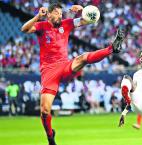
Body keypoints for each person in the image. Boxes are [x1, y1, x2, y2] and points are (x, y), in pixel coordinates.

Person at [21, 3, 125, 145]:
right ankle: (50, 136)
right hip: (48, 71)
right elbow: (24, 29)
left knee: (82, 58)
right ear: (49, 14)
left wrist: (83, 11)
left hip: (65, 66)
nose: (60, 15)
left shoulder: (67, 24)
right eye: (57, 13)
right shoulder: (42, 26)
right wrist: (38, 16)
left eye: (61, 13)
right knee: (45, 111)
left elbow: (88, 20)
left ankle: (112, 48)